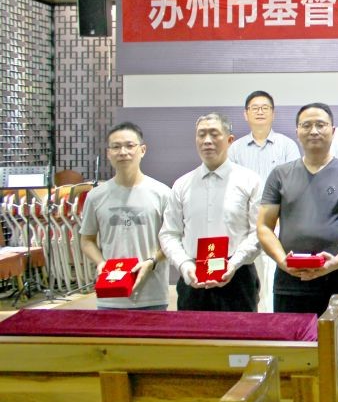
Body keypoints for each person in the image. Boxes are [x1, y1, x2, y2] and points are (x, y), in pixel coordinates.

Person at [256, 103, 338, 316]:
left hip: (335, 279)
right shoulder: (280, 174)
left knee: (335, 347)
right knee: (291, 348)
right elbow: (263, 227)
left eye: (321, 125)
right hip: (289, 281)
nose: (314, 131)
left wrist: (335, 262)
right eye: (306, 125)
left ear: (333, 131)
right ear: (297, 131)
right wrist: (283, 261)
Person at [159, 113, 262, 312]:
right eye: (201, 135)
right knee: (193, 341)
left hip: (238, 277)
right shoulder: (182, 184)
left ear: (230, 140)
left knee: (240, 341)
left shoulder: (250, 180)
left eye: (214, 134)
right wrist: (184, 266)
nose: (207, 141)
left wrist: (234, 263)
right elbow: (169, 233)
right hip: (193, 278)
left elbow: (258, 231)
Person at [79, 122, 171, 310]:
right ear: (108, 153)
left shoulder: (162, 193)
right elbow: (86, 239)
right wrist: (101, 263)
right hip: (110, 296)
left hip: (152, 295)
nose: (123, 152)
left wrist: (152, 262)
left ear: (142, 150)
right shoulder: (96, 196)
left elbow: (173, 240)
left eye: (130, 146)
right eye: (116, 147)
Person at [229, 89, 301, 313]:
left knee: (274, 279)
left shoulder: (287, 145)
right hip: (244, 226)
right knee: (250, 279)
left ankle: (274, 329)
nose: (260, 112)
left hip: (278, 224)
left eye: (265, 108)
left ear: (273, 113)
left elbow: (295, 185)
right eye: (254, 108)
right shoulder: (235, 149)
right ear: (245, 114)